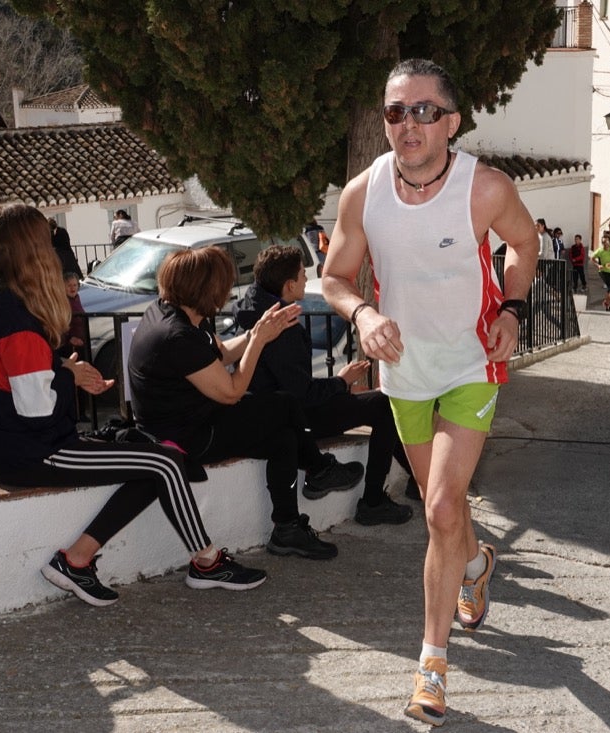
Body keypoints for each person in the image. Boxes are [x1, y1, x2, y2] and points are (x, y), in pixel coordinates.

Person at [322, 58, 539, 727]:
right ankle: (474, 562)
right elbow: (334, 277)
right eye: (395, 111)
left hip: (473, 363)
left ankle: (431, 666)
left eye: (422, 110)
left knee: (440, 505)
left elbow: (524, 245)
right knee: (445, 516)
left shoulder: (486, 189)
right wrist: (362, 315)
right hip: (405, 375)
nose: (407, 123)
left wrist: (513, 310)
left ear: (451, 120)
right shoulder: (362, 193)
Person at [0, 203, 266, 607]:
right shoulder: (14, 316)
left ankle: (76, 561)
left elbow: (5, 375)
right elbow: (37, 409)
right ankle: (207, 562)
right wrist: (67, 376)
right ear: (32, 249)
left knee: (154, 462)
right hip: (32, 451)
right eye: (46, 240)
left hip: (13, 444)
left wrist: (62, 369)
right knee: (164, 463)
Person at [127, 246, 364, 561]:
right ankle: (318, 469)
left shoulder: (178, 313)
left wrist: (258, 331)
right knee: (284, 405)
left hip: (196, 417)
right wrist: (260, 340)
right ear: (206, 288)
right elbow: (232, 391)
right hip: (185, 436)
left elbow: (222, 354)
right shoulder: (177, 335)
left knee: (285, 437)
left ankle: (287, 529)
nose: (227, 291)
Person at [234, 245, 415, 525]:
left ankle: (417, 481)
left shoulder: (253, 308)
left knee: (378, 403)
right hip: (293, 418)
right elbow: (301, 393)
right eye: (301, 276)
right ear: (289, 284)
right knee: (382, 405)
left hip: (273, 411)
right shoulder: (281, 326)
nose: (307, 279)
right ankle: (373, 501)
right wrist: (341, 382)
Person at [58, 272, 87, 358]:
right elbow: (61, 324)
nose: (72, 288)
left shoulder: (76, 298)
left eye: (75, 285)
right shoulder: (64, 302)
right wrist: (70, 338)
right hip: (70, 345)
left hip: (81, 341)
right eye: (69, 285)